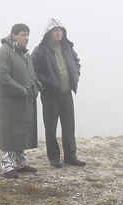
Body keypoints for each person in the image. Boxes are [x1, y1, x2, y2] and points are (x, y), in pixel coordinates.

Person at [32, 18, 86, 168]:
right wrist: (47, 84)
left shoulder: (67, 47)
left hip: (67, 93)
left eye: (60, 30)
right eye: (55, 30)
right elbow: (33, 70)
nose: (58, 33)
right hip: (50, 95)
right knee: (51, 127)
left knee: (69, 126)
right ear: (49, 33)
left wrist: (76, 74)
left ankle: (70, 156)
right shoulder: (40, 50)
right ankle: (54, 157)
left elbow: (76, 61)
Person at [0, 23, 39, 179]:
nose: (26, 38)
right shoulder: (3, 53)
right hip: (9, 102)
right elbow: (3, 78)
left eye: (27, 35)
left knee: (22, 130)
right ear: (14, 36)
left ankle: (20, 163)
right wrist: (21, 90)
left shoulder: (24, 54)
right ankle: (7, 166)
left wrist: (36, 87)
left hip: (24, 100)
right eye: (23, 35)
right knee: (10, 132)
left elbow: (31, 74)